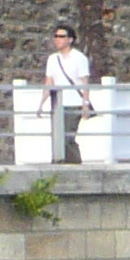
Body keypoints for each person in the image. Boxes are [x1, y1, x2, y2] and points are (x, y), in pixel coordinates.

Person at [43, 24, 93, 167]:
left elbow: (84, 83)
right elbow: (49, 81)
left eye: (61, 36)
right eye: (56, 36)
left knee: (67, 137)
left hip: (74, 103)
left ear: (70, 39)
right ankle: (58, 163)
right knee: (57, 137)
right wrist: (42, 103)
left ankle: (75, 163)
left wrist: (85, 104)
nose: (57, 39)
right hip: (58, 105)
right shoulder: (53, 59)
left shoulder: (79, 58)